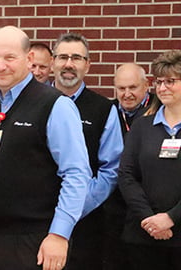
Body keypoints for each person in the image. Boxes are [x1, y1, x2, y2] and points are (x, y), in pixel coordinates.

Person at [0, 25, 92, 270]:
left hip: (35, 242)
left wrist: (59, 235)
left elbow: (76, 174)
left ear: (29, 59)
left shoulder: (55, 106)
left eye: (9, 58)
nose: (0, 66)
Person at [51, 32, 123, 270]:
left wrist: (74, 208)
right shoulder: (35, 103)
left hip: (86, 223)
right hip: (36, 218)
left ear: (87, 65)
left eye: (77, 58)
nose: (68, 64)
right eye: (62, 57)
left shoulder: (104, 109)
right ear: (53, 62)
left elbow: (111, 168)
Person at [118, 49, 181, 270]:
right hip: (142, 235)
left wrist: (171, 217)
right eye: (159, 82)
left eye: (171, 81)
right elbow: (126, 175)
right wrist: (149, 219)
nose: (162, 88)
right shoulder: (142, 126)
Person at [102, 63, 154, 270]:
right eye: (121, 89)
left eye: (133, 88)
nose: (127, 94)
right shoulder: (108, 111)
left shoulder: (160, 110)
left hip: (148, 205)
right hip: (114, 208)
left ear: (146, 85)